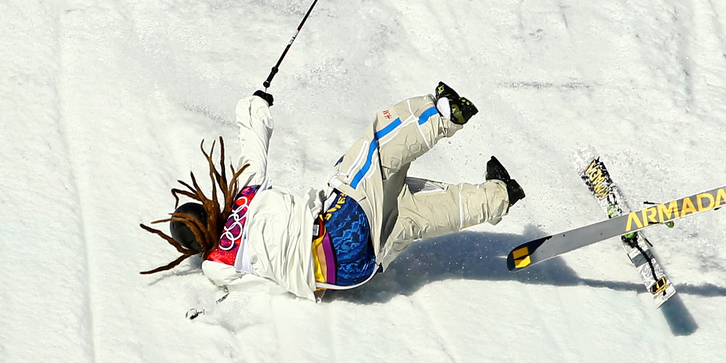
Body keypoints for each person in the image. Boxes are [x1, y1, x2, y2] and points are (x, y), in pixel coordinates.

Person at [141, 82, 525, 302]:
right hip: (336, 228)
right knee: (376, 148)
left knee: (408, 213)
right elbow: (253, 144)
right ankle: (441, 113)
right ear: (209, 209)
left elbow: (258, 287)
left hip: (349, 272)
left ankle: (500, 195)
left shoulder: (216, 265)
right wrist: (254, 104)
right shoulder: (242, 196)